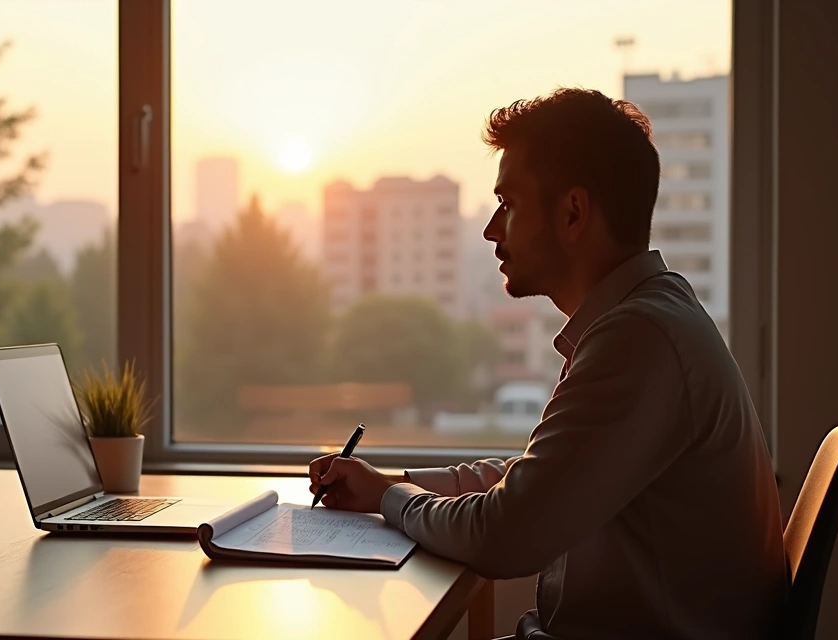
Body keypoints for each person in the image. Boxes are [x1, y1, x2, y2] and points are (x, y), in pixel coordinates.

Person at [308, 88, 786, 640]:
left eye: (508, 205)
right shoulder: (646, 317)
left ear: (573, 212)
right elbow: (538, 480)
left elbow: (505, 533)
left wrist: (392, 499)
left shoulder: (639, 339)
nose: (491, 229)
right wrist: (392, 485)